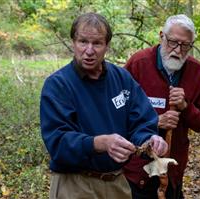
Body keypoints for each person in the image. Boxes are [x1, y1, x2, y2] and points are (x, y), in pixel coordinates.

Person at [40, 12, 168, 199]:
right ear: (73, 43)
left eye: (97, 43)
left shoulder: (121, 78)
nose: (89, 50)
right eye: (83, 41)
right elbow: (58, 143)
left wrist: (150, 140)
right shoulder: (58, 85)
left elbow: (141, 122)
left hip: (117, 183)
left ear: (107, 45)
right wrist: (100, 143)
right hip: (75, 184)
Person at [123, 14, 200, 199]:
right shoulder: (138, 64)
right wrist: (155, 121)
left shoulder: (196, 71)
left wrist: (185, 107)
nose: (178, 50)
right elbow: (117, 114)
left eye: (185, 45)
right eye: (173, 42)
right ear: (161, 36)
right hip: (136, 171)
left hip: (172, 170)